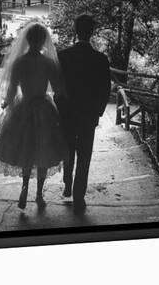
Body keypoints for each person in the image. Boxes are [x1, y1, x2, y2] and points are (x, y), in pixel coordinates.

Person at [0, 22, 66, 210]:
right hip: (44, 109)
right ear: (44, 40)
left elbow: (11, 90)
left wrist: (9, 106)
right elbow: (58, 89)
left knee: (26, 150)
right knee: (43, 150)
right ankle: (38, 195)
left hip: (24, 107)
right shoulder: (49, 63)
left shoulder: (19, 62)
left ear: (26, 39)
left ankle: (25, 188)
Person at [56, 14, 111, 213]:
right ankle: (79, 195)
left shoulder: (63, 56)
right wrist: (98, 111)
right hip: (88, 115)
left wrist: (60, 108)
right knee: (85, 155)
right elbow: (105, 89)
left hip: (68, 113)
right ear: (92, 32)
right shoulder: (100, 59)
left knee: (68, 150)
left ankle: (68, 183)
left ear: (76, 30)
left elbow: (58, 87)